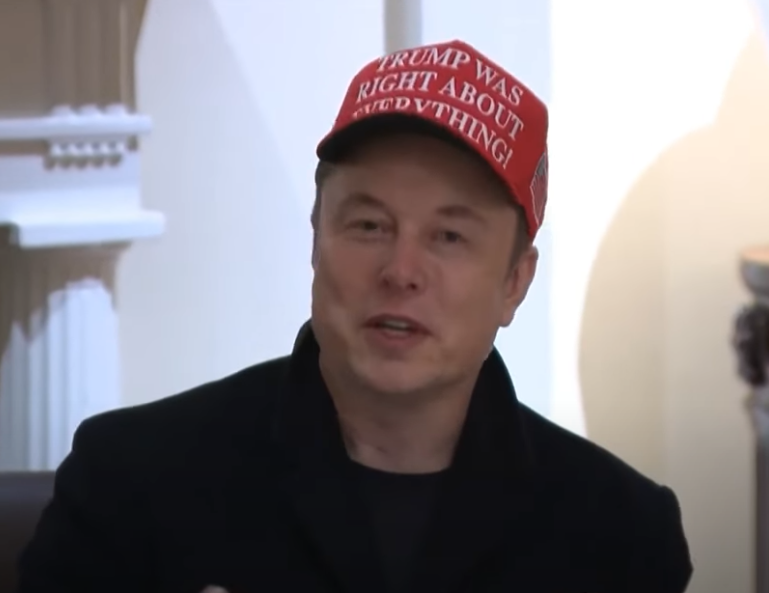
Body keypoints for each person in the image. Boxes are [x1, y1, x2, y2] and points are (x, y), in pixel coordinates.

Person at [16, 39, 692, 593]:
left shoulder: (620, 533)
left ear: (515, 282)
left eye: (449, 236)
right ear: (315, 240)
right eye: (369, 225)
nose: (401, 270)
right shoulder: (132, 482)